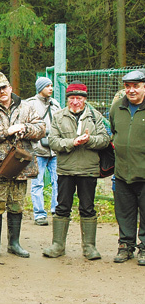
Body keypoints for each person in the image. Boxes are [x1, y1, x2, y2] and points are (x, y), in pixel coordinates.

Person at [43, 81, 109, 260]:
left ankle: (89, 247)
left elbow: (105, 139)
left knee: (87, 208)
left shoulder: (95, 116)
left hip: (88, 170)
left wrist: (89, 140)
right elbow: (54, 142)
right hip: (66, 170)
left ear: (85, 99)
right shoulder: (58, 116)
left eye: (79, 98)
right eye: (72, 98)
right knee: (62, 207)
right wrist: (73, 142)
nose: (75, 102)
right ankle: (58, 245)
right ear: (67, 99)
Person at [0, 72, 45, 258]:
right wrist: (7, 131)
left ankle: (14, 243)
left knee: (17, 205)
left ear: (10, 87)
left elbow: (41, 129)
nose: (2, 92)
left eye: (4, 87)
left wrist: (25, 129)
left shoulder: (26, 107)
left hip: (20, 166)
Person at [109, 70, 145, 265]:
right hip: (122, 171)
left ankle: (144, 248)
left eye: (136, 86)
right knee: (124, 212)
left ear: (144, 87)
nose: (131, 90)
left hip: (144, 172)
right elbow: (114, 130)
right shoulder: (117, 108)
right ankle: (125, 245)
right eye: (128, 86)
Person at [26, 77, 61, 226]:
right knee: (37, 183)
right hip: (38, 149)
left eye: (51, 85)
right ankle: (39, 214)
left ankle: (57, 210)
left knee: (58, 181)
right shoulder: (30, 104)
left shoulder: (55, 104)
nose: (50, 88)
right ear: (40, 88)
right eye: (47, 86)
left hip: (55, 150)